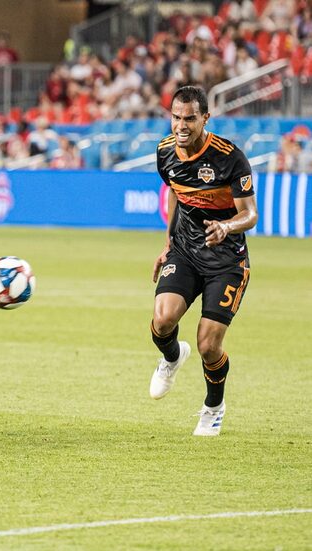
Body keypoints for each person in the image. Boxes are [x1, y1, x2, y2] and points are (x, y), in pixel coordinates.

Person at [150, 86, 258, 437]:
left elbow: (251, 214)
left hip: (226, 260)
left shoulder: (230, 158)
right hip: (185, 250)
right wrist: (168, 243)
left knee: (208, 345)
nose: (181, 126)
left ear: (205, 118)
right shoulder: (165, 152)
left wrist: (226, 226)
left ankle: (213, 407)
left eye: (190, 119)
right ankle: (171, 358)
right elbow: (175, 195)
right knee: (163, 320)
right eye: (176, 117)